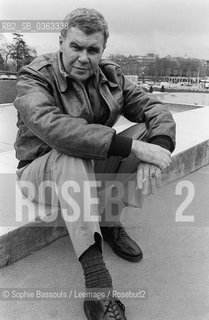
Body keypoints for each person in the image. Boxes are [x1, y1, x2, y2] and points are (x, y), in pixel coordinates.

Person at [14, 8, 176, 320]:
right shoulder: (33, 77)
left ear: (103, 49)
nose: (84, 58)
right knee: (71, 152)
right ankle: (98, 287)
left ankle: (109, 220)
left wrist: (158, 148)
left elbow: (155, 109)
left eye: (93, 50)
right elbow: (57, 130)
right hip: (41, 172)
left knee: (145, 133)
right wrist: (130, 147)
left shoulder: (111, 75)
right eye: (76, 46)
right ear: (61, 42)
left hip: (89, 167)